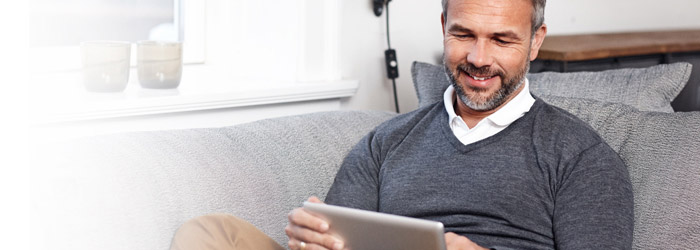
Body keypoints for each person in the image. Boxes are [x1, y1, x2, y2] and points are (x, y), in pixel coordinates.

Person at [171, 0, 634, 249]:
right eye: (463, 34)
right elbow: (340, 238)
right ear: (443, 26)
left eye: (501, 40)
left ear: (536, 42)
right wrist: (314, 240)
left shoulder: (581, 157)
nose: (478, 58)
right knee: (211, 234)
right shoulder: (387, 143)